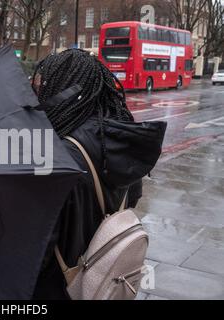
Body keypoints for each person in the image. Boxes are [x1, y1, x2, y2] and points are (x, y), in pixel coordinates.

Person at [31, 49, 165, 299]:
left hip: (58, 286)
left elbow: (36, 249)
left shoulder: (58, 158)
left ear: (61, 91)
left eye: (42, 89)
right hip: (102, 281)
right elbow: (131, 197)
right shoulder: (119, 139)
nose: (38, 97)